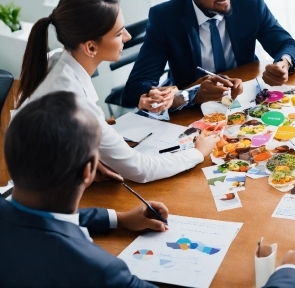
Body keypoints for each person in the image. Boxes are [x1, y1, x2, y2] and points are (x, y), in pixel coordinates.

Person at [0, 91, 295, 287]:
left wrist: (118, 219)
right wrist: (291, 271)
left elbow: (39, 220)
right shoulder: (103, 273)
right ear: (89, 171)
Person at [16, 0, 219, 183]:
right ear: (91, 47)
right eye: (118, 32)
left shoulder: (56, 59)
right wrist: (197, 153)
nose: (128, 37)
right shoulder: (75, 103)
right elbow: (141, 170)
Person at [121, 0, 295, 112]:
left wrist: (283, 63)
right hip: (193, 112)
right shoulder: (165, 16)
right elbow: (135, 88)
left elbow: (287, 45)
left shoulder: (250, 3)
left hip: (246, 99)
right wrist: (191, 95)